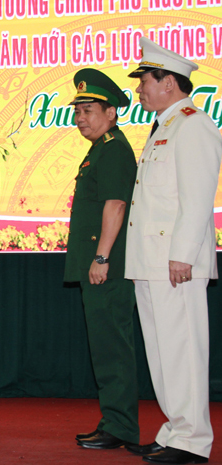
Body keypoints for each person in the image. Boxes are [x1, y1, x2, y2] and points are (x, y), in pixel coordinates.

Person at [124, 37, 222, 465]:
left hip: (175, 263)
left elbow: (198, 198)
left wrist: (183, 253)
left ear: (167, 81)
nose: (139, 89)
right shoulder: (165, 126)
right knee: (162, 354)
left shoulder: (193, 124)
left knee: (182, 350)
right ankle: (174, 432)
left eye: (145, 80)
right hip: (151, 262)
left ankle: (193, 441)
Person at [63, 69, 140, 450]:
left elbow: (116, 203)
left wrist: (101, 256)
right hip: (99, 264)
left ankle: (121, 426)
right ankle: (114, 420)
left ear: (111, 112)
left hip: (107, 266)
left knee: (113, 346)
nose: (81, 118)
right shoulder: (100, 150)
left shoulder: (113, 149)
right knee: (105, 345)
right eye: (78, 111)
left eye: (89, 110)